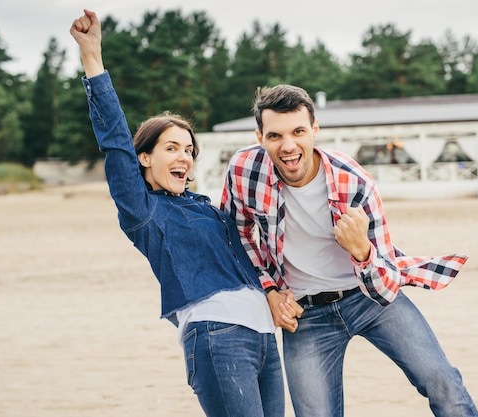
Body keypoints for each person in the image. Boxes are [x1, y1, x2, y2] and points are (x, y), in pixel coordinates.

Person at [69, 10, 300, 417]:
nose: (184, 157)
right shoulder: (144, 211)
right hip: (218, 335)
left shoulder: (208, 208)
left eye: (189, 150)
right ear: (144, 158)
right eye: (171, 148)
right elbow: (115, 142)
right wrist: (93, 58)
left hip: (264, 337)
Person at [221, 84, 478, 417]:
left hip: (368, 297)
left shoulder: (354, 183)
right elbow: (235, 234)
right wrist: (269, 290)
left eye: (298, 132)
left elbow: (385, 289)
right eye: (275, 136)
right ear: (260, 137)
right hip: (306, 314)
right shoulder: (244, 170)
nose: (288, 146)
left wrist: (361, 251)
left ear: (315, 130)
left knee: (443, 381)